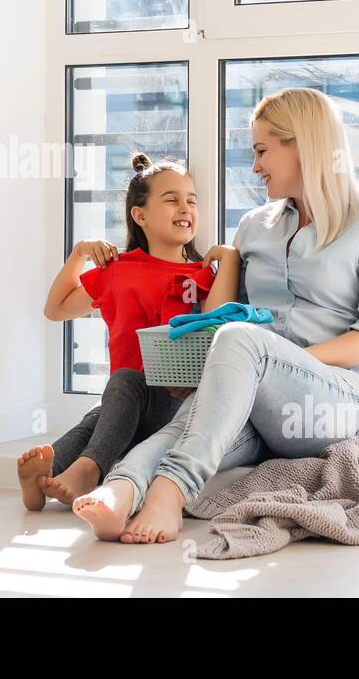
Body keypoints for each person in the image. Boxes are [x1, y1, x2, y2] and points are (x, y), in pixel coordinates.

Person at [73, 87, 359, 543]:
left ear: (303, 145)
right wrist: (231, 274)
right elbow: (219, 323)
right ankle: (121, 488)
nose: (254, 166)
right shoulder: (255, 226)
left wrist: (275, 362)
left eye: (261, 151)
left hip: (334, 404)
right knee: (190, 420)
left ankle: (170, 493)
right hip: (262, 402)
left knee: (242, 343)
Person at [18, 152, 225, 509]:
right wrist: (78, 254)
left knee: (123, 385)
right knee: (109, 404)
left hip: (176, 410)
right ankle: (43, 476)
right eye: (172, 199)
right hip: (124, 410)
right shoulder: (119, 270)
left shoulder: (203, 276)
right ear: (139, 214)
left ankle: (83, 467)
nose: (185, 208)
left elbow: (222, 326)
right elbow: (55, 309)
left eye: (191, 201)